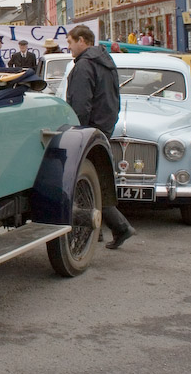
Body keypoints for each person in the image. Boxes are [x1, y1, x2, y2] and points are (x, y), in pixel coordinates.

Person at [65, 24, 135, 249]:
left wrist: (75, 130)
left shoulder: (84, 66)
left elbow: (80, 104)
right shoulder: (105, 61)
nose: (69, 48)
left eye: (70, 42)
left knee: (86, 183)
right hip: (104, 125)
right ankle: (108, 230)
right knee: (95, 181)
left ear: (82, 41)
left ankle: (119, 228)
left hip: (88, 129)